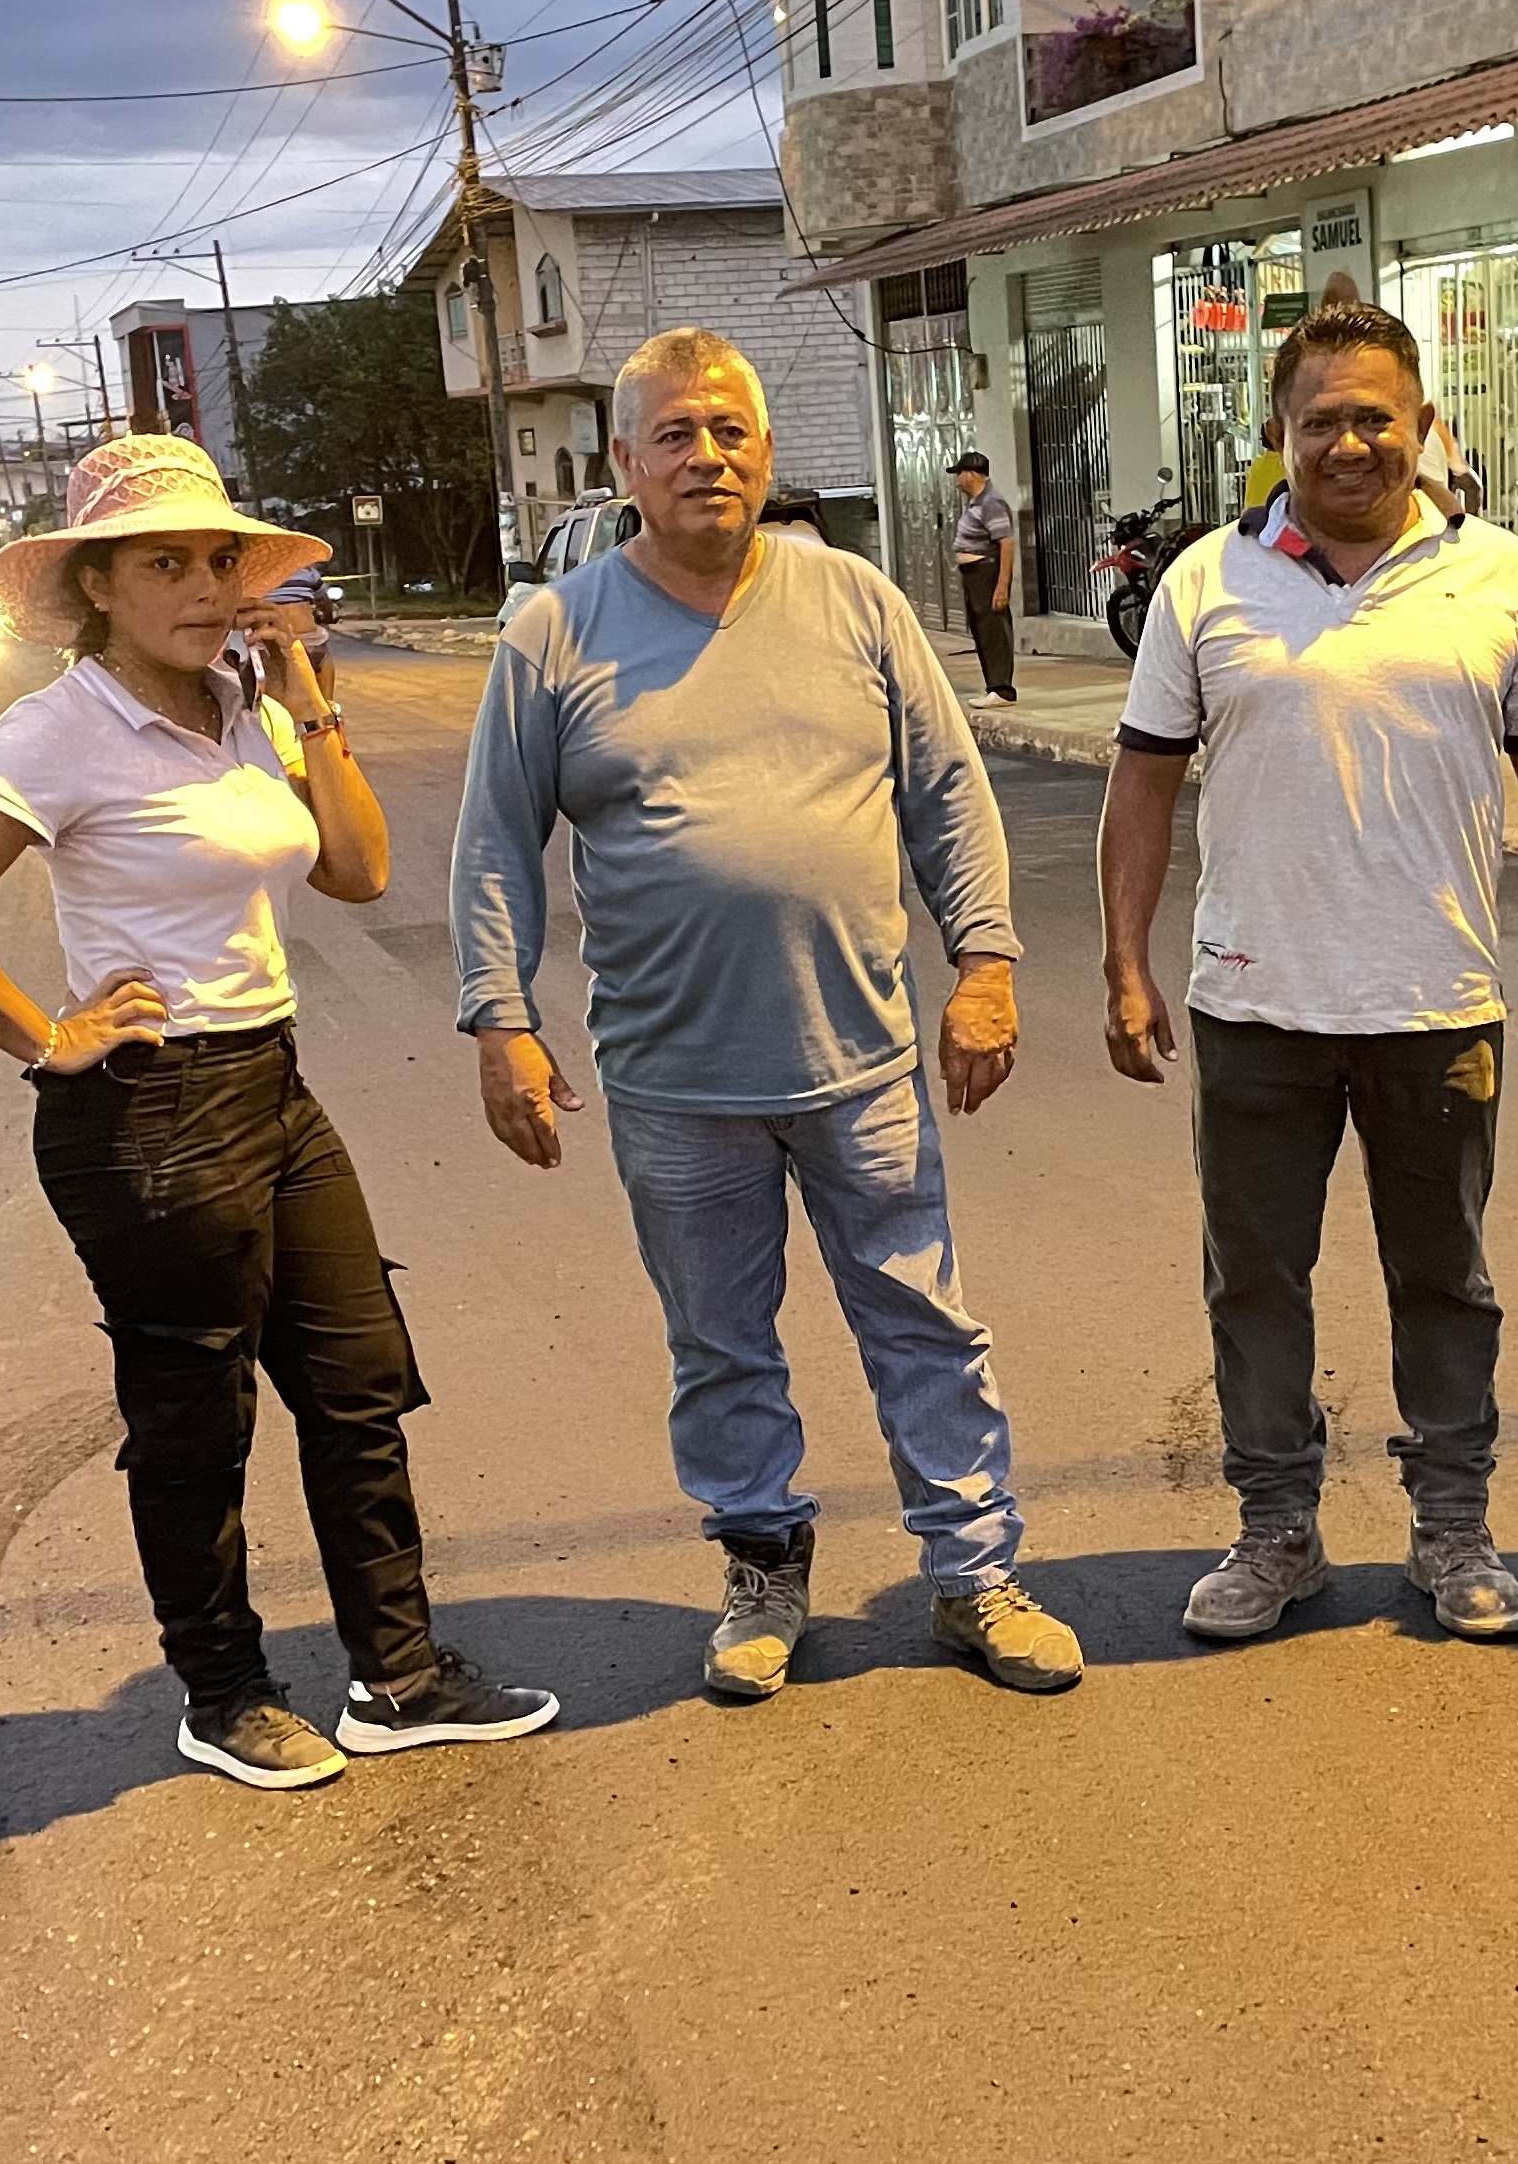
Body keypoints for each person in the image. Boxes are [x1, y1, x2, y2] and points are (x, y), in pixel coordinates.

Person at [0, 435, 559, 1789]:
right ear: (98, 587)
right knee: (195, 1421)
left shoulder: (246, 707)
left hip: (272, 1085)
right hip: (149, 1114)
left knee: (358, 1384)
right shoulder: (61, 728)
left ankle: (399, 1678)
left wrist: (313, 710)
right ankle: (224, 1692)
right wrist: (47, 1036)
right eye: (164, 563)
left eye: (217, 561)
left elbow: (358, 871)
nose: (202, 587)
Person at [453, 329, 1086, 1701]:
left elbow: (949, 794)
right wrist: (500, 1020)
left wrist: (985, 963)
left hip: (859, 1062)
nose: (707, 457)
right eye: (675, 435)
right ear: (626, 463)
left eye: (729, 431)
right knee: (719, 1344)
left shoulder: (854, 600)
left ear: (767, 451)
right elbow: (496, 840)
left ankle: (974, 1576)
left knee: (924, 1326)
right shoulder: (555, 633)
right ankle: (760, 1569)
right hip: (674, 1081)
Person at [1098, 297, 1518, 1645]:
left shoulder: (1500, 575)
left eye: (1377, 416)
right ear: (1279, 433)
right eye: (1320, 420)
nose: (1350, 442)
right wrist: (1125, 964)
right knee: (1255, 1282)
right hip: (1253, 1007)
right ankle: (1276, 1528)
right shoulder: (1204, 581)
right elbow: (1142, 786)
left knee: (1445, 1280)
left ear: (1424, 425)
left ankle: (1454, 1526)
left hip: (1437, 1005)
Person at [947, 449, 1018, 706]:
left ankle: (1002, 689)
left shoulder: (991, 503)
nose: (956, 480)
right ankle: (993, 687)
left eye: (959, 474)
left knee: (993, 630)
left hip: (986, 572)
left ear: (971, 474)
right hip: (974, 574)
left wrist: (1002, 586)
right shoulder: (977, 503)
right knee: (982, 630)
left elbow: (1006, 543)